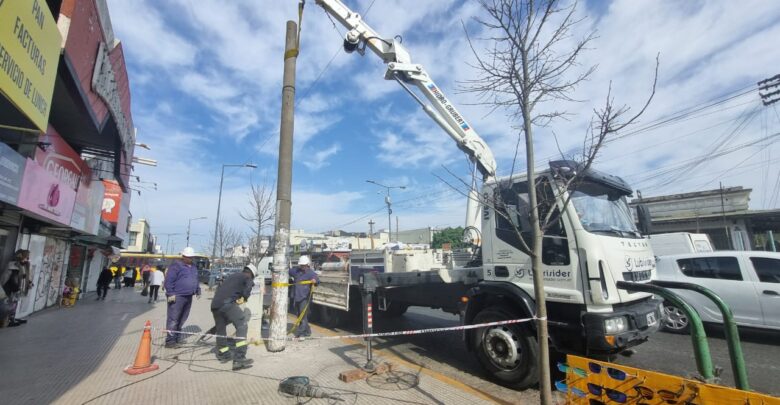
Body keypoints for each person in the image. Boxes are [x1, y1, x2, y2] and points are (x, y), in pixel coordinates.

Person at [211, 264, 256, 371]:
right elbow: (247, 289)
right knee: (242, 325)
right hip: (227, 304)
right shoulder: (247, 277)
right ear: (251, 274)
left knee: (220, 329)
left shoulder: (233, 276)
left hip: (215, 305)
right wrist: (244, 298)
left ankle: (223, 354)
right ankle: (239, 359)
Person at [163, 247, 201, 348]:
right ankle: (170, 341)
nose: (190, 259)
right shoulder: (176, 266)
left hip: (188, 296)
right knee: (173, 319)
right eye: (188, 257)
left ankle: (176, 338)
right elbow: (169, 281)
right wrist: (171, 293)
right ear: (183, 256)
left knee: (182, 318)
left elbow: (196, 279)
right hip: (177, 296)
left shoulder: (193, 267)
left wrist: (197, 289)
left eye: (191, 257)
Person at [288, 255, 319, 338]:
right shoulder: (296, 271)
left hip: (304, 297)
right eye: (301, 265)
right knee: (300, 315)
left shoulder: (311, 273)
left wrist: (314, 281)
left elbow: (317, 280)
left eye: (304, 265)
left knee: (302, 315)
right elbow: (288, 271)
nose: (302, 267)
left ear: (307, 264)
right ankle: (308, 331)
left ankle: (301, 333)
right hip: (296, 296)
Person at [0, 250, 32, 327]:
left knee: (14, 304)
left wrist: (29, 283)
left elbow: (28, 276)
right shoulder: (12, 265)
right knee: (8, 304)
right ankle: (6, 320)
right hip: (11, 288)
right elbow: (5, 277)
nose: (27, 259)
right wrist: (1, 287)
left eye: (27, 257)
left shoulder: (26, 265)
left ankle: (11, 319)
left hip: (20, 288)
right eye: (25, 257)